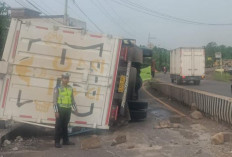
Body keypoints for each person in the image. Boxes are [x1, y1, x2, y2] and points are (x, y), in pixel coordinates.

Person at [53, 72, 78, 148]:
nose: (66, 80)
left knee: (65, 126)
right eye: (64, 78)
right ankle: (57, 142)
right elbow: (54, 100)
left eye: (67, 78)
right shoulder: (57, 88)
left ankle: (65, 141)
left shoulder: (70, 88)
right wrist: (56, 111)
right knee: (58, 126)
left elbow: (72, 99)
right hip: (60, 109)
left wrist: (75, 108)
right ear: (62, 79)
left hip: (68, 110)